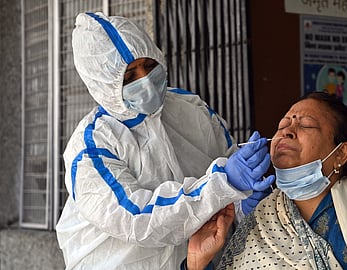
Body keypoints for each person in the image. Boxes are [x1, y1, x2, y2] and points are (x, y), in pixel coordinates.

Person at [55, 12, 274, 269]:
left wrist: (242, 202)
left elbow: (225, 180)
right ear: (101, 84)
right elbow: (135, 219)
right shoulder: (92, 145)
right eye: (129, 77)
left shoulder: (191, 109)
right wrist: (224, 182)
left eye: (149, 66)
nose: (145, 80)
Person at [186, 91, 347, 269]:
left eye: (305, 125)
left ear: (340, 154)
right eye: (283, 125)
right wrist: (196, 263)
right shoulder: (263, 217)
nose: (287, 132)